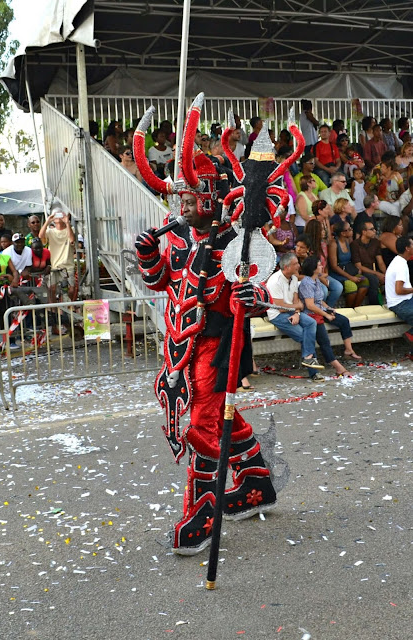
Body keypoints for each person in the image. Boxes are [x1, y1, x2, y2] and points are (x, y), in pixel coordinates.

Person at [134, 110, 288, 555]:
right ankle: (257, 481)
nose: (180, 206)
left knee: (202, 425)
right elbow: (165, 282)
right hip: (180, 346)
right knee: (218, 418)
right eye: (177, 198)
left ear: (209, 197)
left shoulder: (234, 241)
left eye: (188, 197)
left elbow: (255, 291)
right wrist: (149, 257)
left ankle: (200, 514)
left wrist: (247, 298)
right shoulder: (180, 238)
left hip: (216, 346)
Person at [299, 255, 361, 375]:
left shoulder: (316, 280)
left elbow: (319, 300)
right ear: (313, 269)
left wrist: (328, 308)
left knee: (343, 320)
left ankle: (348, 350)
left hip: (320, 310)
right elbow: (310, 305)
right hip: (312, 315)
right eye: (319, 265)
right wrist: (326, 315)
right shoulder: (306, 283)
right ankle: (339, 368)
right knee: (324, 342)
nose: (322, 266)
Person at [266, 252, 324, 380]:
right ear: (286, 267)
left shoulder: (293, 278)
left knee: (311, 323)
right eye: (295, 264)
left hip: (291, 312)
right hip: (277, 315)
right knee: (305, 336)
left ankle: (308, 359)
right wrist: (297, 308)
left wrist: (297, 313)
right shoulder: (274, 281)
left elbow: (297, 302)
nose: (299, 265)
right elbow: (280, 308)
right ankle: (314, 372)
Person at [39, 207, 76, 307]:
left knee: (71, 289)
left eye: (60, 214)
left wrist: (67, 222)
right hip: (54, 266)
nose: (58, 217)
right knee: (52, 289)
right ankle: (54, 313)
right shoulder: (50, 231)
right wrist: (47, 221)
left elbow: (72, 240)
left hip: (68, 265)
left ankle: (69, 311)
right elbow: (40, 236)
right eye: (56, 215)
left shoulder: (70, 229)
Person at [328, 223, 369, 308]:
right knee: (352, 287)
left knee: (365, 281)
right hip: (338, 273)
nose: (352, 230)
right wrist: (350, 277)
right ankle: (349, 308)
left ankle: (355, 308)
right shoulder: (334, 244)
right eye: (349, 229)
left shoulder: (347, 241)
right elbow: (334, 266)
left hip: (349, 270)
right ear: (343, 233)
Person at [384, 236, 413, 348]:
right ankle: (410, 335)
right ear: (407, 248)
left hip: (406, 300)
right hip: (400, 304)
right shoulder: (400, 265)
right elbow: (399, 290)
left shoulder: (399, 261)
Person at [350, 221, 386, 304]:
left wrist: (386, 274)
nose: (375, 231)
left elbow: (380, 261)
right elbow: (358, 266)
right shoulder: (355, 244)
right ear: (364, 232)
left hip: (373, 269)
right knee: (373, 279)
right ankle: (374, 305)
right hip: (361, 271)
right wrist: (377, 274)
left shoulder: (375, 242)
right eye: (372, 229)